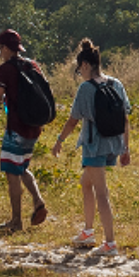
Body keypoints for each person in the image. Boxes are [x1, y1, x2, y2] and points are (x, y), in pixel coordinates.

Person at [50, 38, 131, 258]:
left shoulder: (86, 88)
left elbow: (73, 120)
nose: (80, 74)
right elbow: (125, 118)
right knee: (86, 183)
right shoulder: (116, 83)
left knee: (101, 193)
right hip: (113, 144)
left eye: (80, 69)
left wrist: (59, 141)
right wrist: (126, 148)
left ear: (85, 65)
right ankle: (88, 231)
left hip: (94, 146)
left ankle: (110, 243)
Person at [0, 29, 51, 235]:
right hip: (34, 127)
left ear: (7, 49)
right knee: (22, 167)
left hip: (16, 127)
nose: (0, 52)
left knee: (11, 172)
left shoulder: (5, 70)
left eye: (0, 48)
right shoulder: (33, 65)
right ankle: (38, 200)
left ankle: (16, 221)